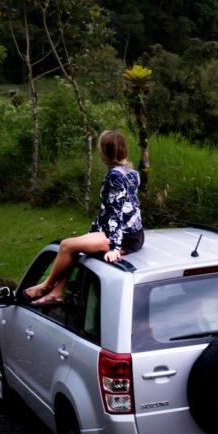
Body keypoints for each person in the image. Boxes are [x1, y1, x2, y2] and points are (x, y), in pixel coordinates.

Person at [25, 130, 144, 305]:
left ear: (104, 152)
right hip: (134, 234)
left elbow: (117, 212)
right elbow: (121, 209)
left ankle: (47, 285)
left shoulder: (114, 176)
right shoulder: (131, 172)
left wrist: (115, 248)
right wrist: (93, 232)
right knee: (75, 247)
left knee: (66, 246)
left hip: (123, 238)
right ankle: (57, 292)